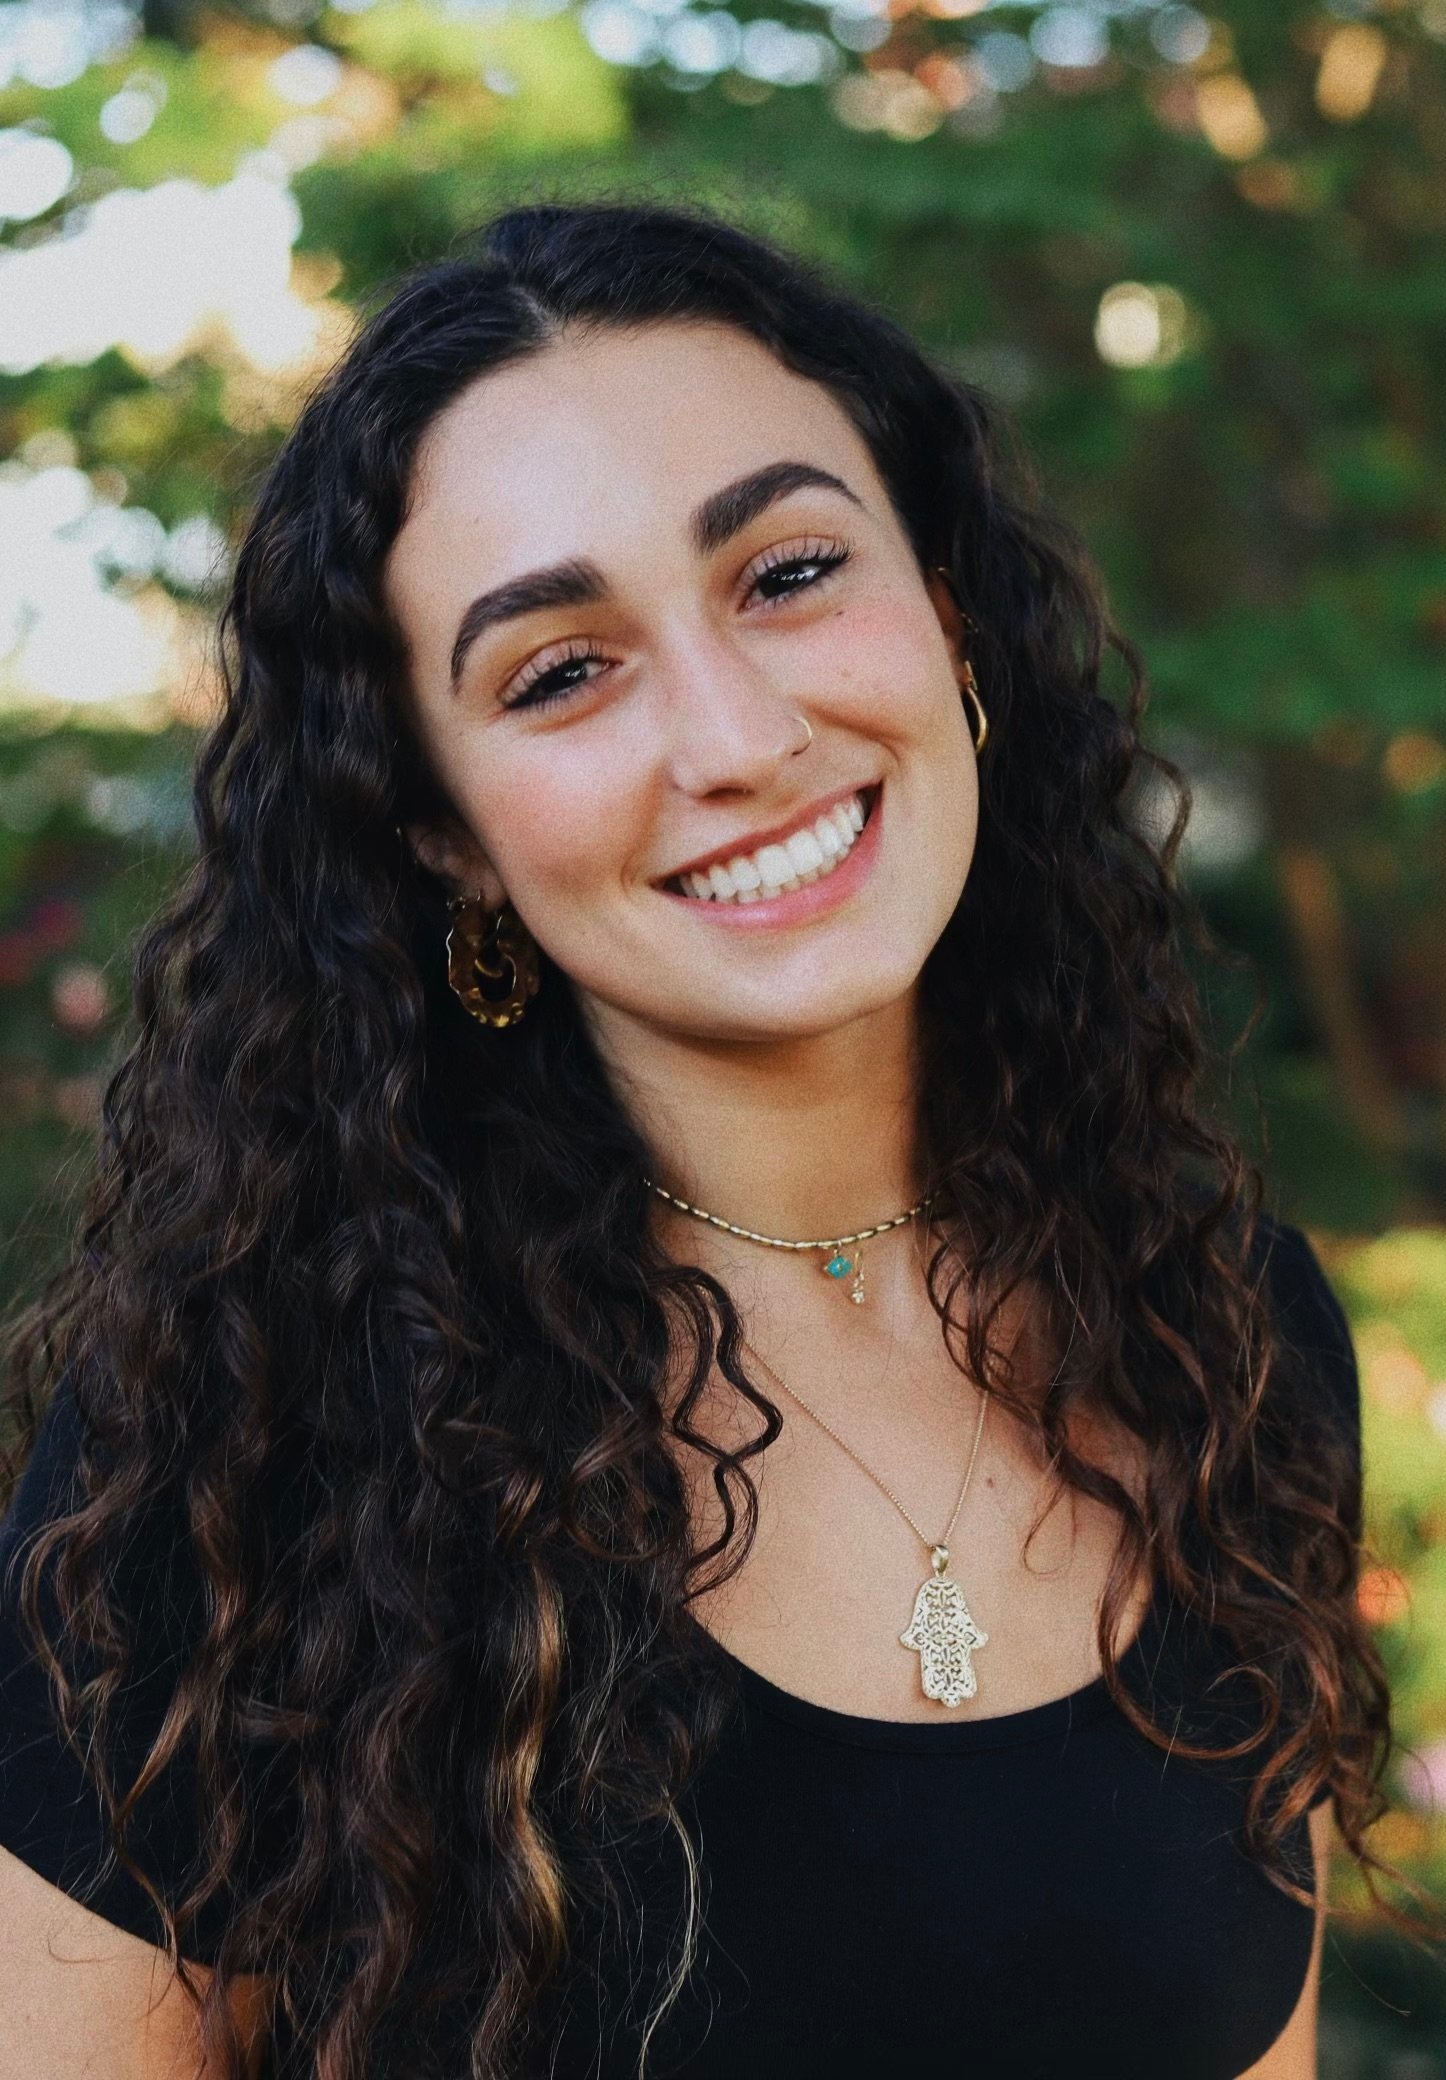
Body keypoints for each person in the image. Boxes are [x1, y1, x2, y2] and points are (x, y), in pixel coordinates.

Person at [0, 199, 1397, 2080]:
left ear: (947, 614)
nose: (734, 734)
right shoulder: (240, 1460)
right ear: (443, 832)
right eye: (559, 671)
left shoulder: (1228, 1341)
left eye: (788, 572)